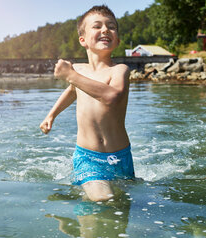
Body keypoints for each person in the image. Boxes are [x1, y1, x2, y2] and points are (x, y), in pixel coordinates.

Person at [40, 5, 135, 202]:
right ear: (82, 40)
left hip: (121, 157)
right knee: (104, 199)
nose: (105, 30)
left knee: (124, 204)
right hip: (88, 157)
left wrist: (71, 75)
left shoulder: (119, 70)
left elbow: (112, 96)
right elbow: (71, 91)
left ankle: (78, 206)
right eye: (97, 26)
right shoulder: (79, 71)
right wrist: (51, 115)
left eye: (111, 27)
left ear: (117, 40)